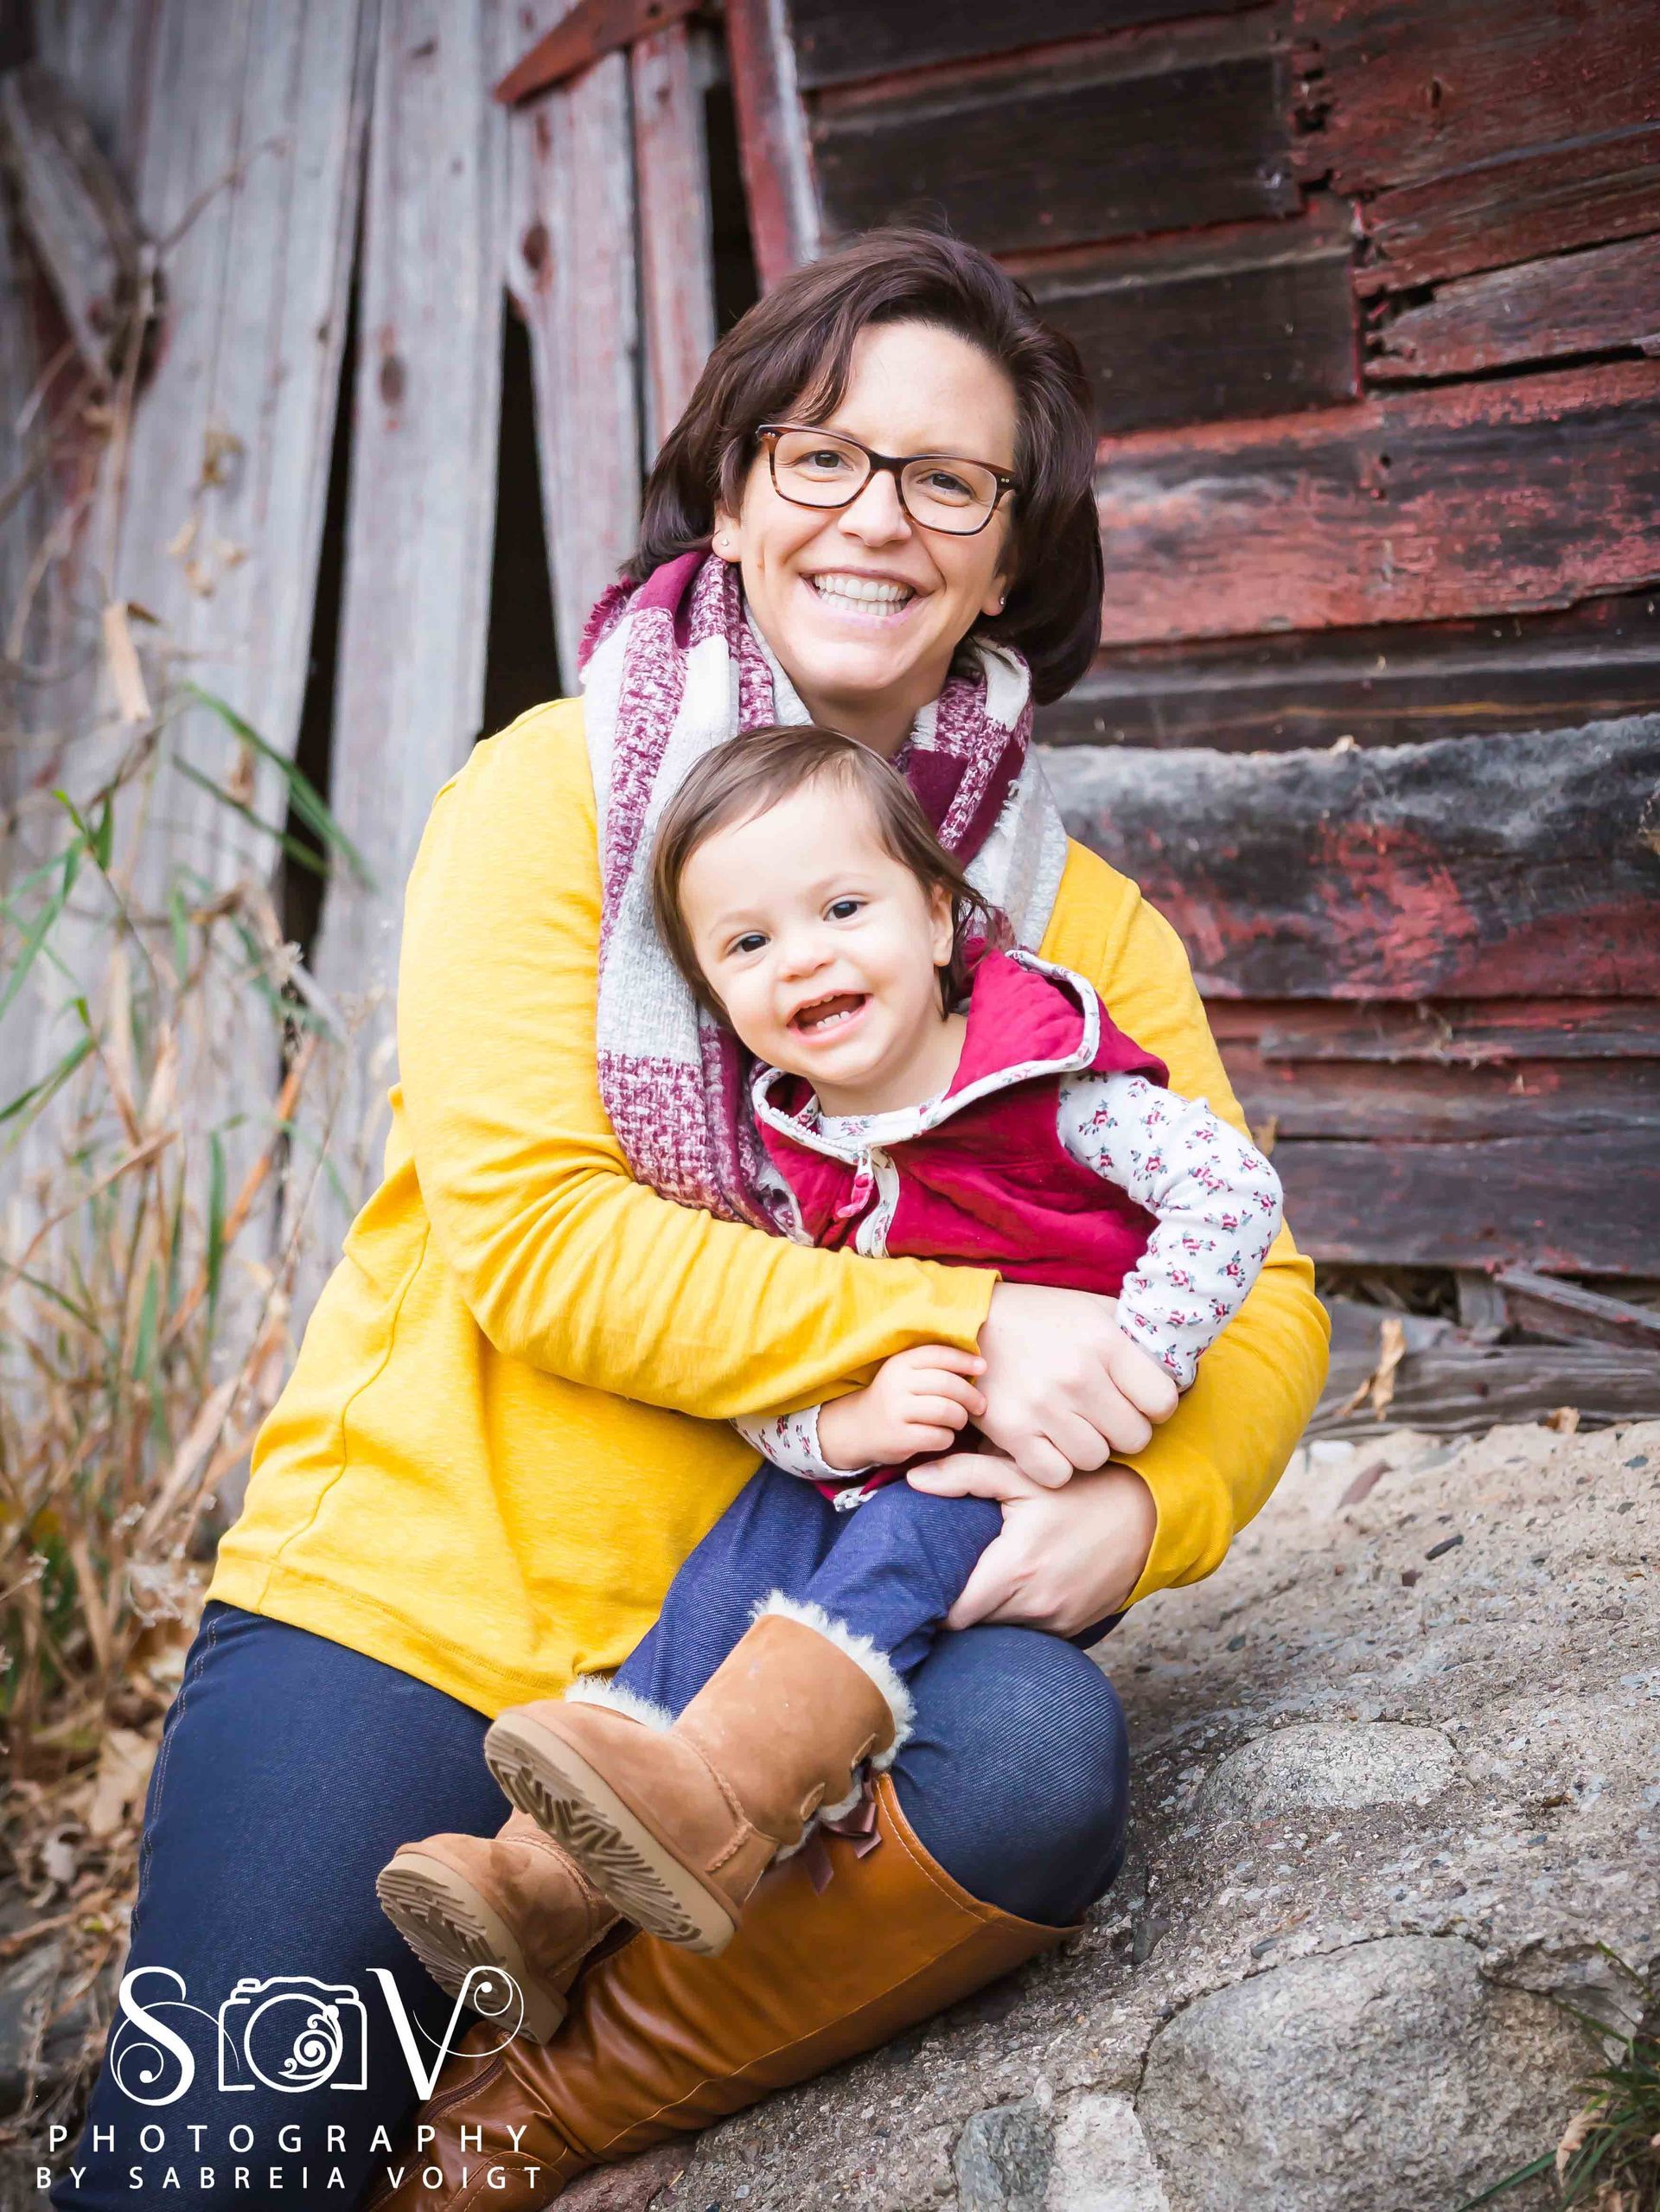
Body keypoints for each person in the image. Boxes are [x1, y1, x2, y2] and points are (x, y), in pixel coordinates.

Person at [54, 227, 1328, 2212]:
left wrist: (1141, 1513)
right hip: (431, 1605)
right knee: (209, 2178)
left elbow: (1270, 1299)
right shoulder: (551, 797)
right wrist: (984, 1321)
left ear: (1008, 553)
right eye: (819, 456)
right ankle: (456, 1990)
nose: (874, 520)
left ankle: (506, 2127)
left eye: (947, 481)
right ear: (731, 492)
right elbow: (542, 1234)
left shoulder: (1075, 930)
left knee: (1034, 1767)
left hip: (794, 1651)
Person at [379, 724, 1282, 2000]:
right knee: (736, 1560)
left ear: (935, 919)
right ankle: (542, 1881)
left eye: (842, 907)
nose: (801, 955)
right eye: (746, 945)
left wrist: (1135, 1364)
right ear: (712, 992)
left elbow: (1233, 1193)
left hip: (1011, 1469)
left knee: (897, 1544)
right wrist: (835, 1432)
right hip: (880, 1454)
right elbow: (787, 1369)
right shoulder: (792, 1149)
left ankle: (723, 1806)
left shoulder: (1041, 1078)